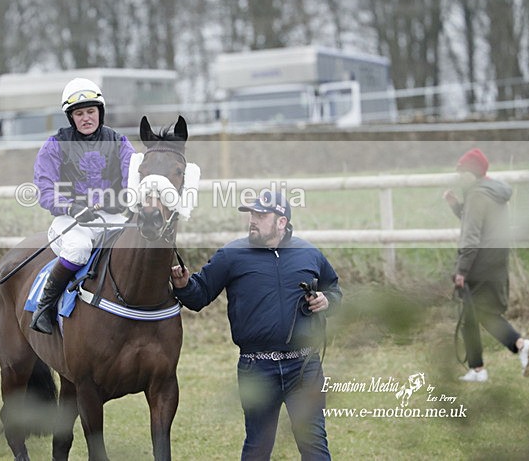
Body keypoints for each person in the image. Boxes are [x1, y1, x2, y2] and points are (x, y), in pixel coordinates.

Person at [170, 191, 342, 461]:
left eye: (261, 215)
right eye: (252, 214)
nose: (253, 220)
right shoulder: (231, 255)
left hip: (304, 367)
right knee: (257, 448)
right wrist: (182, 285)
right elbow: (199, 295)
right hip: (257, 368)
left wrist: (327, 300)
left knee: (314, 445)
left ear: (281, 221)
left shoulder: (308, 253)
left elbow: (335, 291)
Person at [30, 77, 136, 334]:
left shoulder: (120, 143)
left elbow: (132, 185)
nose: (86, 118)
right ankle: (44, 306)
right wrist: (71, 207)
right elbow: (45, 190)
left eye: (90, 111)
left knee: (138, 244)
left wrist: (116, 200)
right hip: (72, 220)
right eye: (79, 113)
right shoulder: (54, 145)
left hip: (111, 217)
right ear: (71, 117)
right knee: (78, 249)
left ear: (100, 112)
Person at [443, 148, 529, 381]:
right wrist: (456, 206)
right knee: (473, 314)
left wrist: (461, 270)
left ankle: (520, 345)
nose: (459, 177)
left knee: (479, 313)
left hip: (479, 262)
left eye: (462, 172)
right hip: (496, 261)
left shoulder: (477, 195)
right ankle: (478, 369)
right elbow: (477, 221)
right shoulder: (492, 191)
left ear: (472, 173)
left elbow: (472, 236)